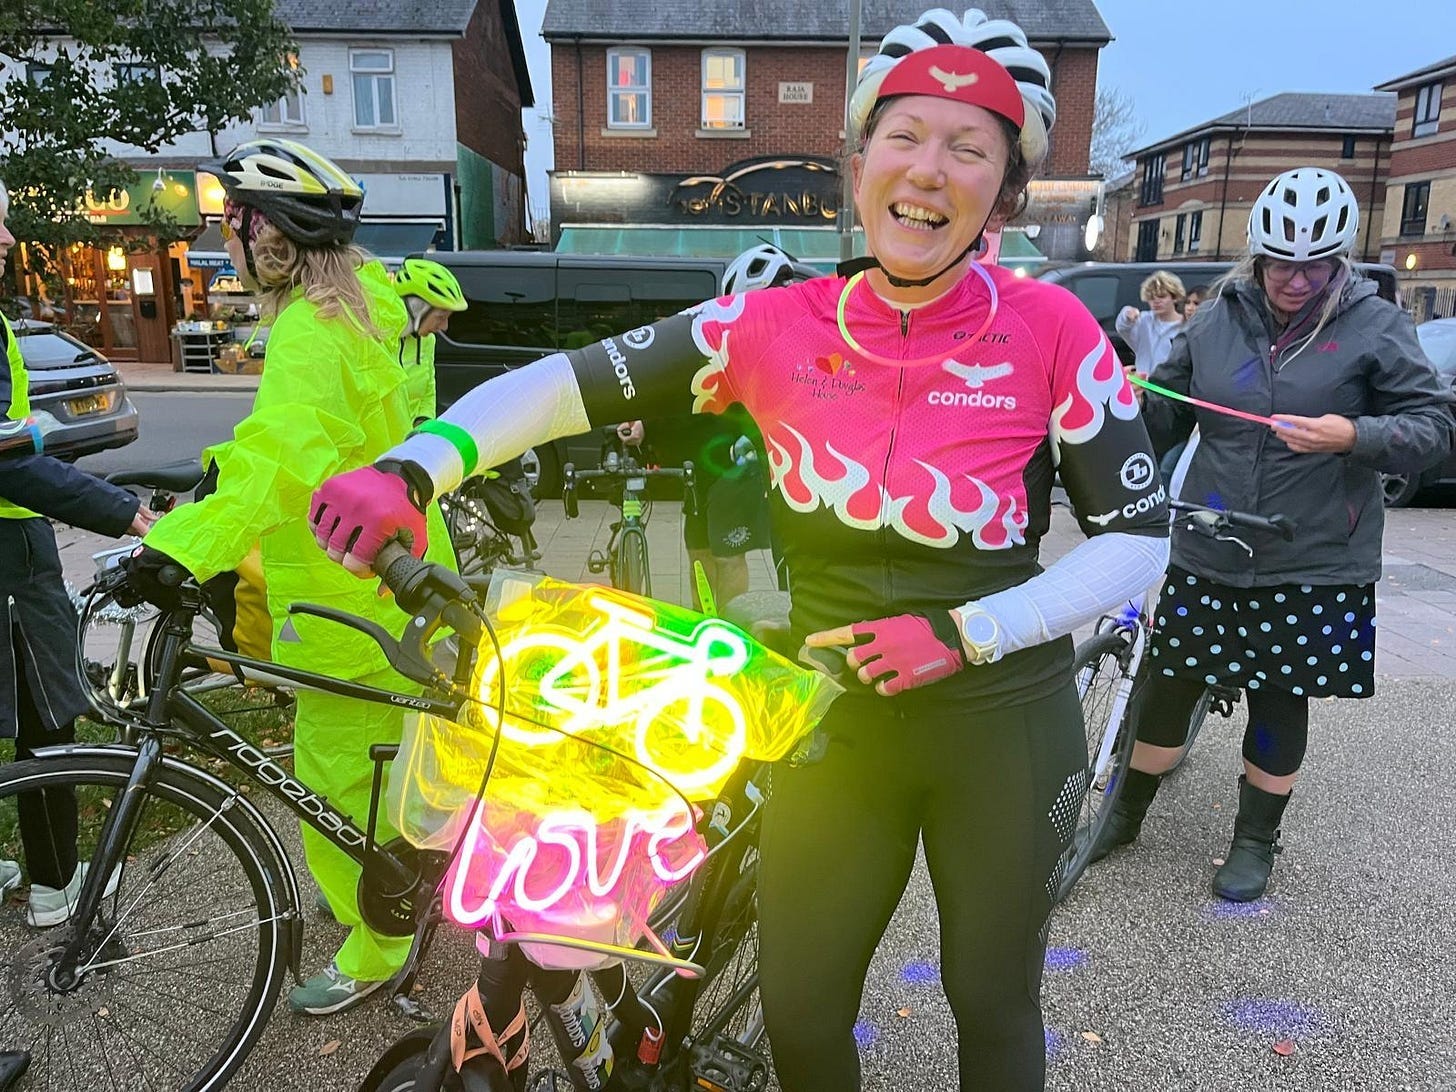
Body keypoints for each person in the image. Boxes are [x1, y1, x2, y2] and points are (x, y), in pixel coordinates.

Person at [310, 11, 1173, 1090]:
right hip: (826, 719)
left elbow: (1141, 540)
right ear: (857, 168)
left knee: (989, 1000)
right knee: (804, 1015)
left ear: (1002, 195)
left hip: (1000, 718)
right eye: (906, 136)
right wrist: (411, 469)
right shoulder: (770, 325)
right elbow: (564, 386)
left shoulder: (1051, 329)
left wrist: (967, 630)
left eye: (969, 148)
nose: (929, 170)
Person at [115, 138, 458, 1015]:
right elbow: (316, 444)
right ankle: (408, 891)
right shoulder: (370, 302)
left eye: (231, 219)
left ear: (260, 228)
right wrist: (208, 486)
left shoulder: (310, 326)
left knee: (335, 780)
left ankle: (379, 942)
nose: (225, 237)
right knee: (397, 764)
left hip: (348, 596)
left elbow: (281, 459)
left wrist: (183, 547)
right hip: (401, 572)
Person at [1088, 167, 1454, 902]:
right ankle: (1125, 811)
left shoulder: (1375, 324)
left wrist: (1355, 433)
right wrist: (1127, 401)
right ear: (1258, 253)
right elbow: (1169, 414)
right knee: (1166, 689)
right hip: (1212, 541)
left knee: (1279, 697)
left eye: (1314, 263)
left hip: (1313, 555)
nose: (1296, 278)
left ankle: (1255, 837)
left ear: (1339, 258)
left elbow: (1435, 428)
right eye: (1282, 261)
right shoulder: (1218, 317)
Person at [0, 178, 155, 925]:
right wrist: (128, 513)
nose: (6, 242)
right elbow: (10, 464)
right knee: (46, 715)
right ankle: (57, 885)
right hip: (11, 555)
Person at [617, 245, 818, 610]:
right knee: (698, 558)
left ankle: (732, 633)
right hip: (700, 467)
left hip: (735, 471)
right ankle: (704, 630)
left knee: (727, 557)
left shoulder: (785, 357)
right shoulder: (714, 346)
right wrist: (645, 424)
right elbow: (682, 399)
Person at [391, 256, 467, 423]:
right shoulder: (376, 340)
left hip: (408, 444)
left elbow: (427, 391)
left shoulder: (427, 340)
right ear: (417, 308)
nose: (444, 326)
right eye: (441, 317)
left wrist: (423, 424)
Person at [1116, 270, 1186, 377]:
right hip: (1141, 385)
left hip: (1167, 388)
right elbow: (1122, 328)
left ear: (1175, 298)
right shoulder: (1143, 320)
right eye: (1151, 298)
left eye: (1162, 296)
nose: (1156, 301)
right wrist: (1126, 315)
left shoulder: (1185, 327)